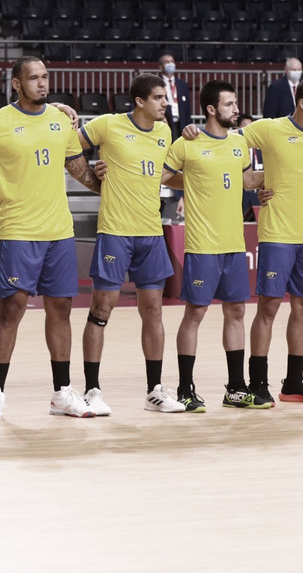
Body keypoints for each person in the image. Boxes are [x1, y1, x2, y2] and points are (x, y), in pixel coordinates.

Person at [0, 57, 103, 421]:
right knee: (11, 310)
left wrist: (113, 187)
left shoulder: (61, 120)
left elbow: (80, 170)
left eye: (45, 77)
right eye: (33, 78)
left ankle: (62, 392)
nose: (42, 84)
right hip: (18, 231)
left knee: (60, 309)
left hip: (59, 231)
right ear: (16, 83)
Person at [160, 80, 273, 411]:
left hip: (234, 244)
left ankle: (235, 388)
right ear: (211, 109)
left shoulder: (240, 144)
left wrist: (266, 186)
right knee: (195, 313)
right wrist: (193, 182)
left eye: (236, 103)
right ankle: (185, 388)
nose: (236, 109)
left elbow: (247, 180)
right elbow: (161, 177)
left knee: (236, 311)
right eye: (229, 104)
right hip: (202, 245)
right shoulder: (186, 144)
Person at [77, 74, 184, 414]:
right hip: (115, 231)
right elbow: (68, 148)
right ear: (139, 101)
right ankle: (92, 390)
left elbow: (158, 173)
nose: (163, 103)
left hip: (151, 233)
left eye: (164, 98)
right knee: (101, 308)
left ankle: (154, 390)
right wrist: (91, 178)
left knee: (153, 310)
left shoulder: (165, 132)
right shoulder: (107, 125)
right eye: (157, 98)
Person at [237, 77, 303, 404]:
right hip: (277, 235)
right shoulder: (269, 128)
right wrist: (250, 183)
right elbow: (226, 145)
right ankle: (257, 383)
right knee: (268, 308)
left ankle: (293, 382)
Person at [158, 53, 192, 139]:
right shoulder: (157, 83)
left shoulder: (182, 84)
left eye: (172, 62)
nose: (170, 64)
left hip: (181, 123)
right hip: (165, 122)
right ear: (161, 66)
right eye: (167, 62)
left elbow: (187, 108)